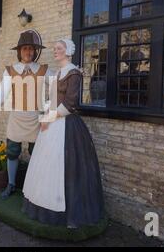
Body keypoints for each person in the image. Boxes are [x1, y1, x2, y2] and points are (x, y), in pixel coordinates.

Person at [22, 38, 106, 228]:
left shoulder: (73, 73)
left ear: (68, 51)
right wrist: (45, 115)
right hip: (51, 125)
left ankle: (67, 213)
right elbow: (52, 99)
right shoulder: (58, 72)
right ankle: (44, 207)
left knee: (66, 169)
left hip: (66, 126)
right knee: (46, 166)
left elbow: (70, 104)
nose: (56, 51)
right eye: (54, 48)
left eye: (59, 48)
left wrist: (48, 118)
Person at [0, 30, 54, 199]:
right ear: (19, 50)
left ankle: (36, 186)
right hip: (17, 117)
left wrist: (48, 106)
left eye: (31, 48)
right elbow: (2, 93)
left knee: (37, 152)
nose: (28, 52)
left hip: (36, 118)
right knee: (12, 151)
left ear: (35, 51)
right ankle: (11, 185)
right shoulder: (11, 71)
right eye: (25, 48)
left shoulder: (43, 70)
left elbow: (58, 87)